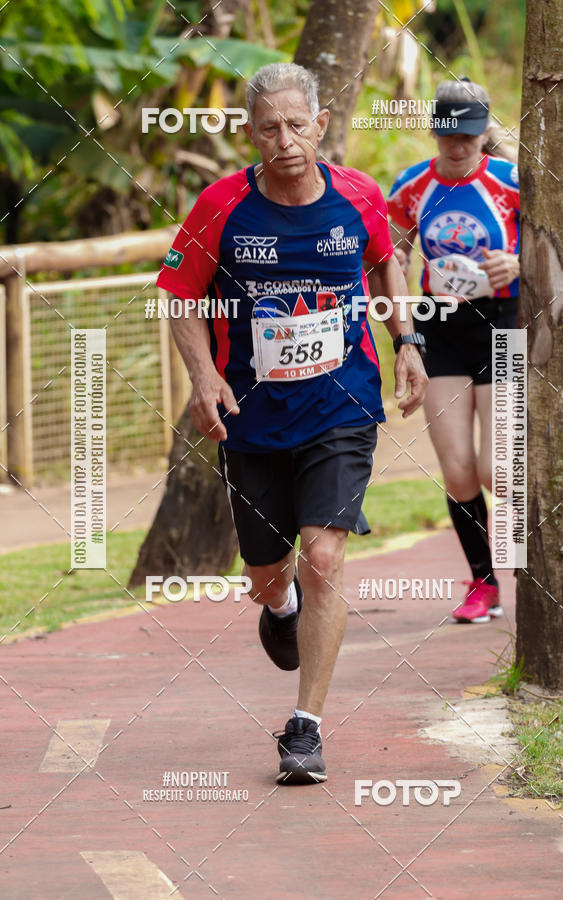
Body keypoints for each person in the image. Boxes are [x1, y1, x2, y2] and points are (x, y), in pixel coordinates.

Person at [156, 62, 427, 784]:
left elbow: (386, 262)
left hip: (342, 405)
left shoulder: (358, 194)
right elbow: (179, 294)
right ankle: (280, 605)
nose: (285, 141)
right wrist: (203, 376)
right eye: (270, 128)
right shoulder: (221, 205)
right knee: (265, 574)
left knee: (326, 555)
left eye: (297, 125)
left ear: (320, 124)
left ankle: (305, 727)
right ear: (251, 133)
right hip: (251, 416)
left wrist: (408, 341)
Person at [387, 78, 520, 624]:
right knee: (459, 468)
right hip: (439, 326)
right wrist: (401, 320)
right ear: (435, 131)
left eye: (469, 135)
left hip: (503, 324)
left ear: (485, 130)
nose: (459, 145)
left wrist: (519, 264)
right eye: (449, 135)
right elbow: (389, 256)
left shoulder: (512, 182)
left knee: (499, 470)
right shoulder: (412, 185)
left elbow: (555, 249)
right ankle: (484, 583)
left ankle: (531, 559)